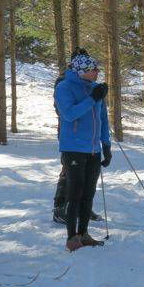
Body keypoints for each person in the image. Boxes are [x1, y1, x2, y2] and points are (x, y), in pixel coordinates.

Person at [54, 52, 111, 252]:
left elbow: (102, 119)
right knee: (75, 193)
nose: (97, 72)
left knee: (88, 193)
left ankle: (84, 233)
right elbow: (68, 114)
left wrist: (106, 145)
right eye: (93, 70)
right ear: (81, 72)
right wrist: (91, 100)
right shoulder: (64, 87)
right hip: (73, 148)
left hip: (93, 149)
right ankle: (72, 236)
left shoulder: (95, 89)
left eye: (96, 69)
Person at [52, 48, 102, 226]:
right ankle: (60, 206)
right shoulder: (64, 82)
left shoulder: (89, 83)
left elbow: (97, 111)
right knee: (68, 171)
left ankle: (83, 208)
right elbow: (64, 111)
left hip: (89, 136)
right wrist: (91, 101)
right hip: (69, 132)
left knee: (86, 178)